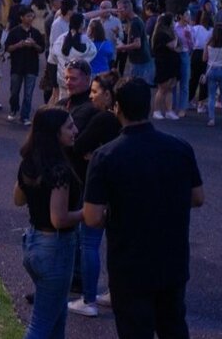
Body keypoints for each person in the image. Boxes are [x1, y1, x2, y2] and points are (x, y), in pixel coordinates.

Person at [84, 78, 204, 339]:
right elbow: (197, 197)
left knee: (134, 330)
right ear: (149, 106)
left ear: (117, 108)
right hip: (172, 257)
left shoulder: (105, 156)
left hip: (130, 262)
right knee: (173, 326)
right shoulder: (180, 148)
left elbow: (92, 216)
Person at [13, 108, 82, 339]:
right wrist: (87, 213)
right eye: (70, 127)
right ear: (54, 133)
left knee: (57, 313)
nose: (76, 131)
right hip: (55, 249)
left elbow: (18, 199)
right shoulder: (59, 170)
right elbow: (59, 219)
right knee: (40, 326)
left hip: (33, 244)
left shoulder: (29, 163)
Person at [67, 71, 122, 318]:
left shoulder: (103, 120)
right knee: (115, 242)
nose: (91, 97)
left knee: (89, 242)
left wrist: (92, 152)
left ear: (109, 95)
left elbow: (78, 146)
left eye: (95, 92)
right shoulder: (122, 121)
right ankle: (113, 292)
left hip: (98, 188)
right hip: (119, 190)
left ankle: (88, 298)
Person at [6, 7, 45, 126]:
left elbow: (41, 49)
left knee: (28, 93)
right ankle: (13, 108)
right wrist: (18, 45)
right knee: (14, 91)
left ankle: (25, 115)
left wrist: (34, 45)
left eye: (31, 16)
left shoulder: (36, 32)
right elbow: (8, 48)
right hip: (17, 65)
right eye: (28, 16)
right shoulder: (14, 32)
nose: (30, 18)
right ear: (21, 17)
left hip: (31, 66)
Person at [52, 13, 97, 99]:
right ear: (82, 24)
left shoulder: (61, 38)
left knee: (63, 101)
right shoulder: (86, 40)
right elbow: (93, 53)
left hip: (63, 76)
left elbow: (54, 56)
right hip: (78, 78)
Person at [151, 13, 180, 121]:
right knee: (162, 87)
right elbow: (172, 45)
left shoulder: (168, 32)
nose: (174, 23)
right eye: (172, 21)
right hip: (164, 62)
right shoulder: (161, 34)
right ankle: (156, 110)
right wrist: (176, 37)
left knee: (170, 88)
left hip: (171, 62)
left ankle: (169, 110)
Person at [204, 24, 222, 127]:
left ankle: (211, 119)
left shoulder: (209, 44)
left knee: (211, 95)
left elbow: (204, 59)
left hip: (211, 70)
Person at [116, 0, 153, 83]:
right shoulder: (133, 20)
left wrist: (122, 47)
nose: (118, 12)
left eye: (119, 9)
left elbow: (137, 44)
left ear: (127, 9)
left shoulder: (134, 23)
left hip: (139, 61)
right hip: (139, 60)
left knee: (137, 87)